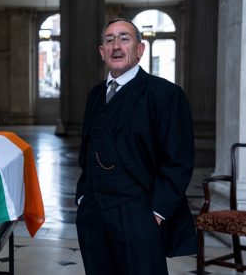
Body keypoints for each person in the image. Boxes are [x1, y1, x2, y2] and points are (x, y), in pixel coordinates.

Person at [75, 18, 196, 275]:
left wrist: (157, 213)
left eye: (124, 38)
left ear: (140, 50)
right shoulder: (95, 95)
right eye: (109, 40)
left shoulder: (166, 94)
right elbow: (86, 150)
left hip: (138, 215)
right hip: (94, 214)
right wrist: (83, 197)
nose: (116, 46)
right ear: (102, 51)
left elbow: (179, 161)